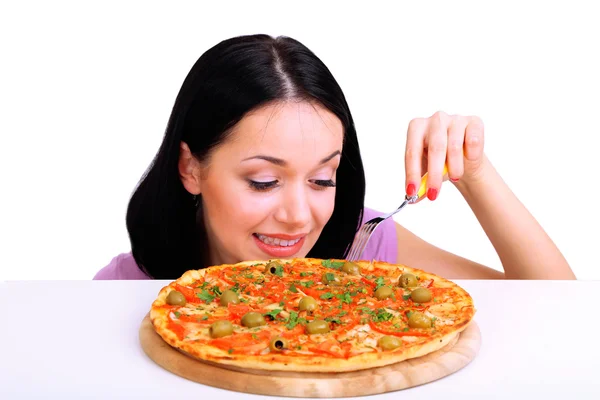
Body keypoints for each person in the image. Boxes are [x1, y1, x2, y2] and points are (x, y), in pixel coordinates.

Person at [94, 34, 575, 281]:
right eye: (264, 181)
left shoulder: (361, 243)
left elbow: (556, 311)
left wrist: (475, 173)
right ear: (190, 168)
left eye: (323, 179)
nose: (299, 217)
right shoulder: (124, 289)